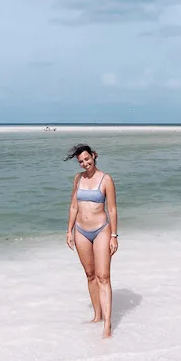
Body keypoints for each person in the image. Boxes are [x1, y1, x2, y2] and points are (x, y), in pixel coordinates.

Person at [65, 144, 118, 338]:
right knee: (90, 274)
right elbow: (73, 206)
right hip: (80, 231)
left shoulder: (106, 179)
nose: (85, 163)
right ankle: (97, 316)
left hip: (102, 230)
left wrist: (114, 236)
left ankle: (108, 325)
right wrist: (69, 231)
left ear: (94, 156)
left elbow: (112, 209)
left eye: (87, 159)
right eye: (81, 161)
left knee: (103, 276)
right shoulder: (78, 179)